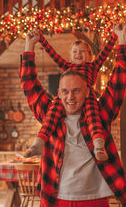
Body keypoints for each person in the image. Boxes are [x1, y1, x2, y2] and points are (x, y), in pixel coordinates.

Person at [20, 24, 126, 206]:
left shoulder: (101, 113)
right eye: (65, 91)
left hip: (94, 198)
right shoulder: (50, 114)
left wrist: (122, 40)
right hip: (56, 198)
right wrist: (29, 46)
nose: (70, 97)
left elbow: (120, 78)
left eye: (76, 90)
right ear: (58, 92)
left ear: (87, 91)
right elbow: (29, 84)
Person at [24, 29, 118, 161]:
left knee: (93, 118)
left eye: (82, 51)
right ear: (70, 56)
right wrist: (42, 40)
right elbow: (53, 54)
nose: (78, 54)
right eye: (75, 52)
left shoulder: (93, 66)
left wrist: (114, 36)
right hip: (65, 96)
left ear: (90, 55)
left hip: (87, 95)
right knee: (51, 115)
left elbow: (105, 53)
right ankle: (38, 143)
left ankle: (98, 146)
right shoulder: (66, 66)